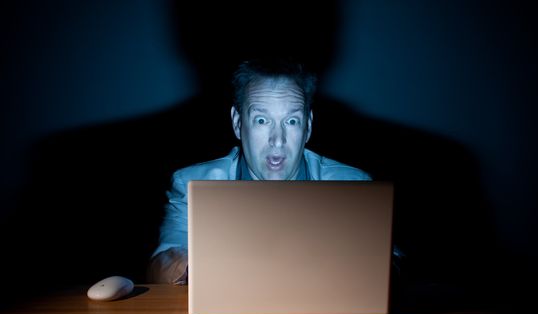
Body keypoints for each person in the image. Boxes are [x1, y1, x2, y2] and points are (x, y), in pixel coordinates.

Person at [147, 58, 372, 284]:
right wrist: (200, 266)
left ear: (308, 127)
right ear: (237, 123)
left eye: (292, 121)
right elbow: (161, 266)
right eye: (262, 120)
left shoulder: (353, 185)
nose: (277, 140)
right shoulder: (190, 184)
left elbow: (390, 263)